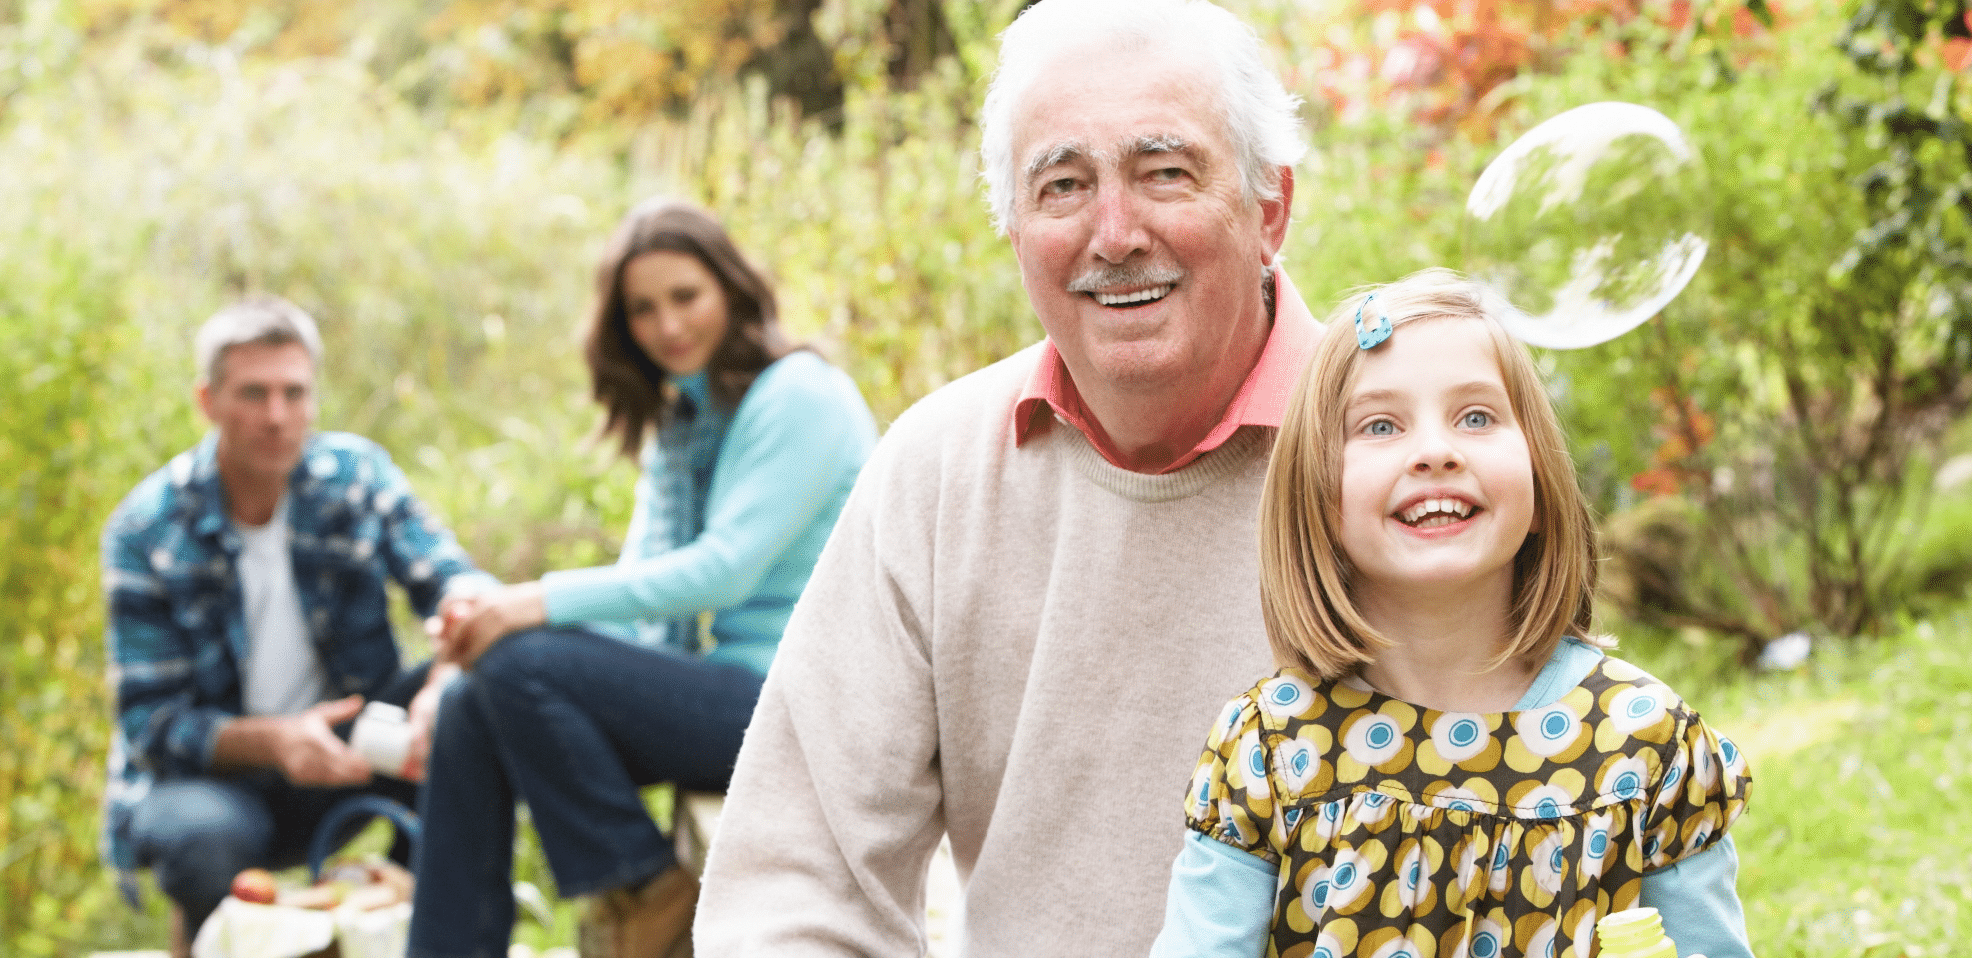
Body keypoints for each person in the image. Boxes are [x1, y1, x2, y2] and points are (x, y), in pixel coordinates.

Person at [695, 1, 1322, 952]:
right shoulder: (936, 471)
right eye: (1063, 186)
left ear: (1268, 207)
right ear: (1015, 227)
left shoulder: (1409, 458)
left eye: (1165, 173)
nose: (1115, 234)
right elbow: (797, 881)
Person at [1148, 269, 1755, 958]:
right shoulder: (1273, 748)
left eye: (1476, 417)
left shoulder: (1645, 745)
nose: (1436, 451)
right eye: (1381, 425)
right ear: (1318, 495)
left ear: (1539, 476)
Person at [405, 198, 879, 958]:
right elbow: (642, 590)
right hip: (725, 692)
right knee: (471, 698)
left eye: (685, 297)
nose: (668, 326)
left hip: (804, 707)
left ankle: (643, 888)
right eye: (643, 309)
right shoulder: (683, 419)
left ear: (730, 288)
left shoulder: (799, 395)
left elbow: (723, 572)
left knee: (518, 660)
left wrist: (528, 606)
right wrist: (484, 623)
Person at [100, 295, 497, 946]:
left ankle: (414, 931)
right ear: (208, 401)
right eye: (253, 394)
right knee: (204, 842)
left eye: (294, 393)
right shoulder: (146, 528)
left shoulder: (356, 477)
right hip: (211, 783)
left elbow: (459, 587)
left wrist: (440, 686)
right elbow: (152, 724)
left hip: (351, 749)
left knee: (479, 699)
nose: (276, 417)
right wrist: (278, 740)